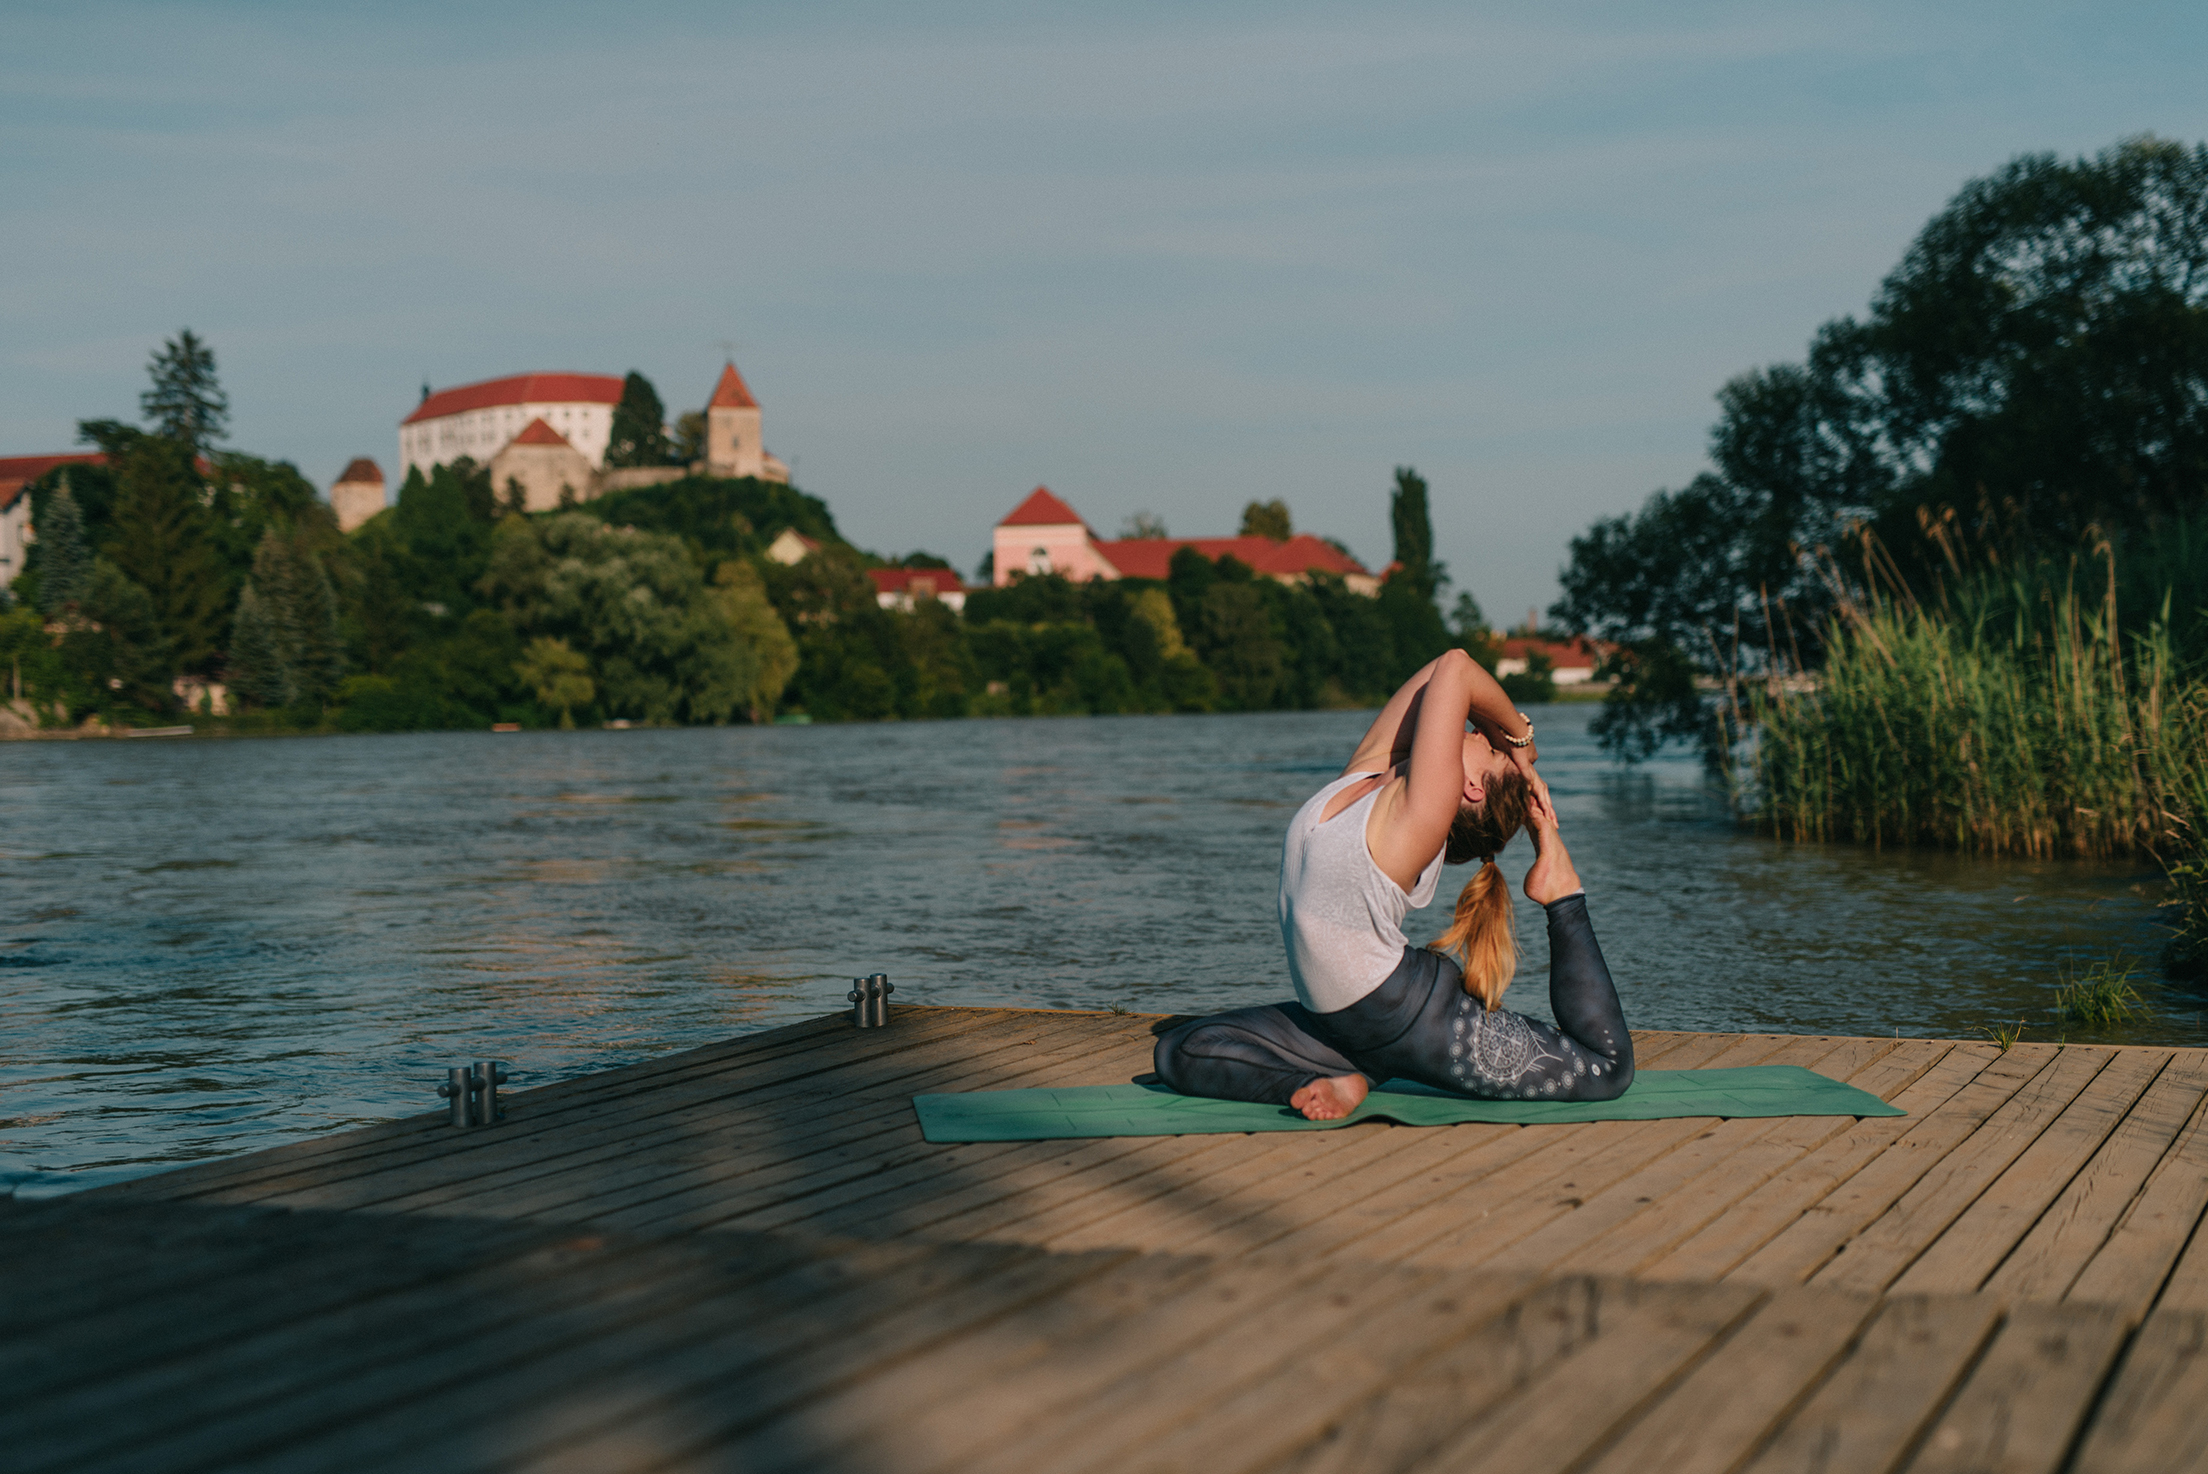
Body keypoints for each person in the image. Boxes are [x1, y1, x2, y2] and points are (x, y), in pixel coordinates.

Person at [1154, 648, 1633, 1120]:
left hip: (1407, 1013)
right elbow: (1434, 679)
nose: (1479, 730)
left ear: (1469, 788)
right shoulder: (1368, 776)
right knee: (1183, 1048)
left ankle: (1562, 889)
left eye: (1486, 744)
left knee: (1605, 1067)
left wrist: (1519, 738)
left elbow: (1456, 668)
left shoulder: (1422, 813)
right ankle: (1333, 1081)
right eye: (1490, 738)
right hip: (1343, 1022)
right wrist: (1511, 739)